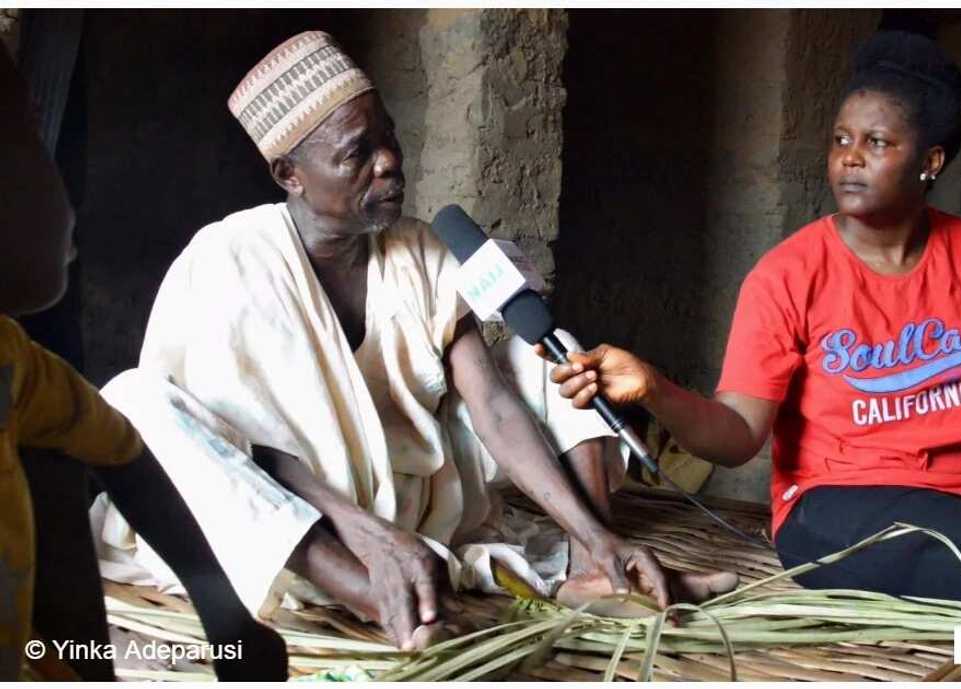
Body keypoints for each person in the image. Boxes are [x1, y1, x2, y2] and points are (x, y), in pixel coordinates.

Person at [91, 31, 733, 651]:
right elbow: (248, 452)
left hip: (412, 503)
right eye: (357, 153)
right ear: (290, 174)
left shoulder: (422, 249)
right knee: (134, 402)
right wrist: (359, 531)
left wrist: (594, 532)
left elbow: (493, 405)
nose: (389, 161)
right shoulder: (228, 261)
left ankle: (593, 563)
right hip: (301, 527)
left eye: (389, 137)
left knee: (546, 350)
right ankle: (372, 592)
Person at [546, 31, 961, 678]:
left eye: (876, 143)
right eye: (841, 139)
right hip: (835, 507)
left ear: (930, 161)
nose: (850, 157)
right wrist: (654, 386)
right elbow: (736, 436)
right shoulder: (789, 275)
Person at [0, 45, 286, 680]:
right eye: (27, 136)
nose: (62, 191)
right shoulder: (232, 251)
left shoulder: (13, 365)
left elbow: (120, 453)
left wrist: (225, 617)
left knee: (54, 459)